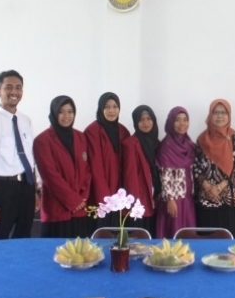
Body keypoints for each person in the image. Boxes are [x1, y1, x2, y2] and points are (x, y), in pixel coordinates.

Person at [0, 70, 39, 240]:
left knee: (24, 237)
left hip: (26, 187)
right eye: (8, 87)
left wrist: (34, 191)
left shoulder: (26, 120)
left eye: (18, 87)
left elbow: (30, 159)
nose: (14, 92)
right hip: (3, 189)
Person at [34, 96, 92, 238]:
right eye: (61, 111)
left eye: (70, 111)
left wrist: (82, 197)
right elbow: (50, 177)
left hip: (79, 211)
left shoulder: (80, 137)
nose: (66, 116)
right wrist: (74, 201)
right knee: (55, 250)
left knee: (80, 250)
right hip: (57, 210)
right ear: (54, 113)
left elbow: (86, 171)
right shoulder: (42, 140)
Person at [193, 99, 235, 238]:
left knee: (229, 240)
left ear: (229, 115)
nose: (220, 116)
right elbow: (196, 167)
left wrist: (219, 187)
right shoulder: (201, 139)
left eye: (224, 112)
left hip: (229, 198)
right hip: (206, 197)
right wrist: (206, 186)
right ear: (210, 115)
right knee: (208, 240)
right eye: (216, 112)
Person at [84, 92, 131, 229]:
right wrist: (105, 199)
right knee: (101, 232)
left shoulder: (123, 131)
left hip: (120, 193)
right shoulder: (92, 131)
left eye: (115, 106)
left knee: (118, 234)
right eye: (107, 107)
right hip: (101, 195)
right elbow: (95, 167)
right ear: (101, 108)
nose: (112, 111)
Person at [156, 106, 197, 239]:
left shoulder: (190, 145)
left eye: (185, 120)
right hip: (173, 200)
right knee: (174, 235)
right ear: (171, 122)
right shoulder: (166, 146)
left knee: (188, 235)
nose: (182, 123)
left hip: (187, 198)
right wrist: (170, 199)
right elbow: (164, 174)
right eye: (177, 120)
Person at [122, 105, 160, 237]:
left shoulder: (157, 143)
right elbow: (130, 176)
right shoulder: (130, 144)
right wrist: (135, 205)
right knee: (140, 239)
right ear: (135, 122)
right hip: (140, 201)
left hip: (155, 199)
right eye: (141, 119)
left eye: (149, 119)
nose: (145, 123)